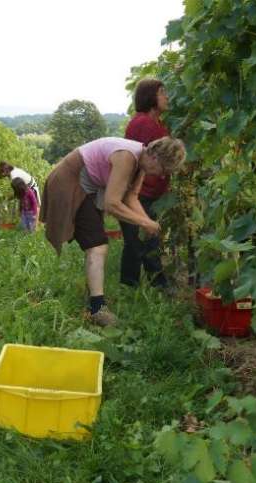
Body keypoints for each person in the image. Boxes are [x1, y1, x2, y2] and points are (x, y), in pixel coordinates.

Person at [39, 136, 186, 327]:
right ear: (156, 158)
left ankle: (92, 296)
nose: (162, 176)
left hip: (86, 186)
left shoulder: (140, 161)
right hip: (70, 181)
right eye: (164, 170)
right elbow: (112, 204)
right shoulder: (127, 157)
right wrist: (145, 222)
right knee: (97, 245)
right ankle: (97, 309)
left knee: (96, 243)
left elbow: (131, 197)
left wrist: (147, 223)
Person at [121, 78, 171, 289]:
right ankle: (159, 288)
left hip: (150, 194)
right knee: (144, 243)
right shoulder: (143, 123)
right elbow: (137, 161)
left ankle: (129, 287)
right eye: (162, 93)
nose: (166, 97)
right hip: (139, 194)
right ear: (151, 97)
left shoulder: (158, 124)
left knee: (137, 243)